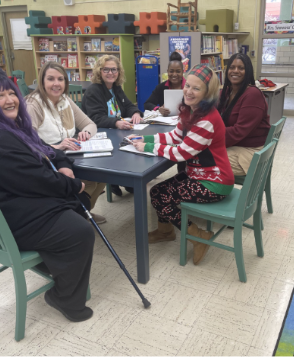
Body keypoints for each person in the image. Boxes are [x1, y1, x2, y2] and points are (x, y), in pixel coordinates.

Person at [0, 68, 95, 322]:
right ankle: (64, 298)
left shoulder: (9, 130)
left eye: (11, 93)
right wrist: (74, 184)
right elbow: (39, 180)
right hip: (10, 221)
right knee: (80, 230)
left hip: (13, 206)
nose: (10, 100)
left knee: (79, 206)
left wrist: (63, 162)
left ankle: (60, 266)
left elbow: (44, 149)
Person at [130, 64, 235, 265]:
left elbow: (181, 152)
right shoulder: (190, 111)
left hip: (215, 182)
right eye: (188, 85)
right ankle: (165, 231)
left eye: (196, 88)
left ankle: (198, 236)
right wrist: (146, 140)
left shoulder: (206, 120)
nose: (188, 91)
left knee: (160, 195)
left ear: (207, 93)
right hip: (201, 175)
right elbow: (174, 136)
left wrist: (148, 148)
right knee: (158, 191)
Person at [26, 61, 106, 224]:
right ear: (42, 82)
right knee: (87, 182)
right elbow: (28, 142)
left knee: (102, 178)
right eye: (50, 79)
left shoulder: (66, 101)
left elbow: (91, 124)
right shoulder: (33, 105)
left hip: (71, 155)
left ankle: (84, 212)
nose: (56, 84)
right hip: (47, 160)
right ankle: (74, 215)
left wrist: (85, 133)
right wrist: (57, 146)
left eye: (60, 79)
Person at [82, 54, 143, 197]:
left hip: (116, 131)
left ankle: (126, 180)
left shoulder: (116, 88)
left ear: (119, 72)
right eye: (106, 70)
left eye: (114, 70)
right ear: (99, 71)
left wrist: (136, 113)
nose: (111, 73)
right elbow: (95, 118)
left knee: (135, 143)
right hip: (100, 135)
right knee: (126, 148)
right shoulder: (93, 91)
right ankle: (115, 180)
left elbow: (128, 105)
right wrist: (116, 122)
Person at [217, 53, 271, 176]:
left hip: (250, 152)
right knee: (197, 155)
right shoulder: (226, 92)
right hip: (236, 144)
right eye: (232, 67)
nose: (235, 71)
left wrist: (210, 137)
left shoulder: (252, 94)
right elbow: (212, 116)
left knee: (202, 161)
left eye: (241, 68)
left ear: (248, 71)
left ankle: (215, 193)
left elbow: (239, 131)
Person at [144, 52, 186, 116]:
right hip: (166, 122)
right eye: (171, 71)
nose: (174, 74)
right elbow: (147, 104)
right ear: (167, 71)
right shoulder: (161, 87)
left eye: (178, 71)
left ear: (183, 72)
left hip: (186, 121)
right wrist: (158, 109)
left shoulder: (189, 87)